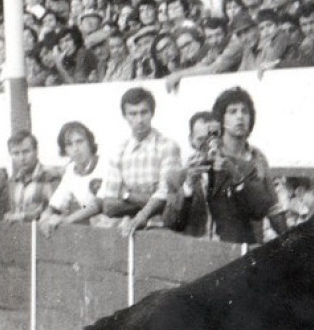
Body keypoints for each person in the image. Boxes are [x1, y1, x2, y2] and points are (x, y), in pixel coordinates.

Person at [164, 88, 287, 245]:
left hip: (244, 245)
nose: (240, 117)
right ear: (221, 119)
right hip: (202, 246)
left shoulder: (257, 157)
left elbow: (271, 207)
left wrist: (290, 242)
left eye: (245, 111)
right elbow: (175, 217)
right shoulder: (205, 156)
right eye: (232, 112)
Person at [99, 86, 183, 238]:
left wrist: (126, 195)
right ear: (125, 116)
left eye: (144, 112)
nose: (139, 120)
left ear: (152, 113)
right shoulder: (118, 151)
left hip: (160, 228)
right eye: (133, 113)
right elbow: (109, 206)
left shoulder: (168, 146)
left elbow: (166, 197)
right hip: (125, 228)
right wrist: (149, 198)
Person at [39, 121, 108, 234]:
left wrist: (66, 220)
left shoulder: (105, 164)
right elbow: (55, 205)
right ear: (65, 149)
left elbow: (97, 205)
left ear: (90, 143)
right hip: (89, 229)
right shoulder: (70, 170)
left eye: (80, 142)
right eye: (69, 144)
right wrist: (45, 217)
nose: (75, 149)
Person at [4, 131, 62, 221]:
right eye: (16, 153)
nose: (21, 158)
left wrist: (24, 216)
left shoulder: (50, 177)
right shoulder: (13, 182)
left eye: (26, 152)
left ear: (36, 151)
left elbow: (57, 209)